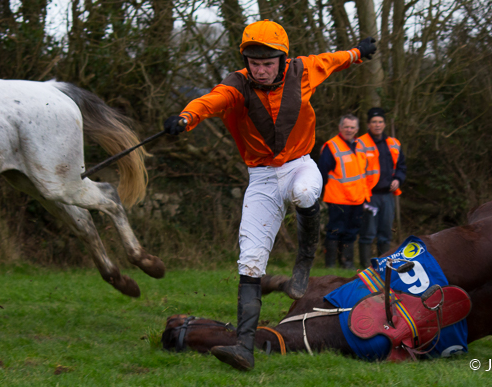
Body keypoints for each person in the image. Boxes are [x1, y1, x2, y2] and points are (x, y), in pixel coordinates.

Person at [163, 20, 377, 370]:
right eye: (254, 63)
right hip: (261, 177)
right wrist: (186, 119)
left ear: (282, 59)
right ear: (246, 60)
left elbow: (332, 60)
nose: (260, 70)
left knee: (306, 191)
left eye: (267, 63)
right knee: (249, 261)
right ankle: (243, 348)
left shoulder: (303, 70)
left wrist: (357, 54)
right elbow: (211, 101)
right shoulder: (236, 85)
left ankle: (303, 263)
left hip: (299, 165)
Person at [317, 114, 370, 269]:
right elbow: (322, 172)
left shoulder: (360, 146)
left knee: (351, 232)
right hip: (338, 198)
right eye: (346, 126)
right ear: (340, 127)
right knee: (335, 231)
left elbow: (362, 173)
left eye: (352, 127)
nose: (349, 130)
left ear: (357, 129)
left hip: (357, 199)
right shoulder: (331, 146)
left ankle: (347, 263)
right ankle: (331, 264)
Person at [358, 107, 406, 266]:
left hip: (388, 195)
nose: (377, 125)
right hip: (369, 195)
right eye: (374, 122)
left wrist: (398, 179)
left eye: (380, 122)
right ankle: (365, 267)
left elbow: (401, 166)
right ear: (368, 124)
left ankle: (383, 265)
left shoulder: (394, 143)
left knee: (386, 233)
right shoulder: (360, 143)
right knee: (368, 233)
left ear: (384, 124)